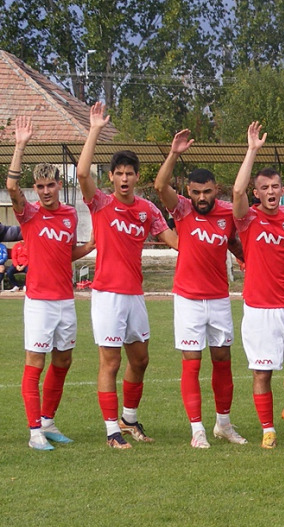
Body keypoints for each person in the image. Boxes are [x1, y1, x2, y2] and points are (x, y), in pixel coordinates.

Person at [77, 101, 178, 449]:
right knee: (111, 361)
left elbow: (172, 240)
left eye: (129, 173)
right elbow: (81, 174)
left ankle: (129, 419)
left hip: (135, 295)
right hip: (107, 294)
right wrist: (93, 130)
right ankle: (111, 431)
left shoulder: (147, 209)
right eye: (118, 173)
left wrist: (204, 247)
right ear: (111, 177)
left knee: (141, 359)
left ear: (136, 177)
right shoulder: (101, 203)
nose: (124, 178)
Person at [154, 129, 247, 449]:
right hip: (188, 300)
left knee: (223, 360)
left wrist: (246, 259)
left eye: (206, 192)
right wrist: (174, 153)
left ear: (215, 190)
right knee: (191, 362)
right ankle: (197, 430)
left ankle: (223, 423)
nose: (201, 198)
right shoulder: (181, 209)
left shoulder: (227, 213)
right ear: (188, 192)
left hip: (219, 298)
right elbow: (159, 185)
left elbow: (235, 243)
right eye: (196, 192)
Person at [6, 116, 94, 450]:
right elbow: (11, 187)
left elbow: (65, 253)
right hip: (40, 302)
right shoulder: (28, 214)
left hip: (65, 301)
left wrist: (90, 245)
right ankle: (33, 433)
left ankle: (48, 420)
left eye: (50, 185)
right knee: (35, 363)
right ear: (35, 190)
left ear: (59, 185)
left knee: (63, 361)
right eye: (39, 187)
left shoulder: (70, 214)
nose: (44, 191)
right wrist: (20, 145)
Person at [232, 122, 284, 450]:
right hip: (257, 308)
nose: (270, 191)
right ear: (257, 192)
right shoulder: (248, 217)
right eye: (265, 186)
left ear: (282, 190)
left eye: (276, 186)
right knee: (262, 372)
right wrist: (252, 150)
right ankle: (268, 428)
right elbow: (237, 193)